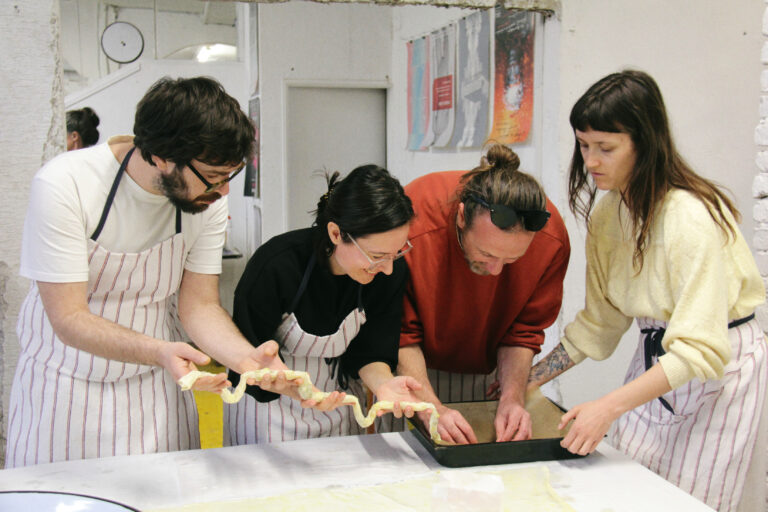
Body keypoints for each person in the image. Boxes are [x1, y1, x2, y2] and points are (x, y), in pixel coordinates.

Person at [6, 77, 298, 468]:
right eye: (214, 176)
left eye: (231, 175)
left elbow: (199, 306)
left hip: (156, 388)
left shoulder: (206, 201)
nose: (223, 191)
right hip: (66, 385)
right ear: (160, 156)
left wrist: (248, 360)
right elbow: (69, 318)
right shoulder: (66, 184)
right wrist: (158, 351)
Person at [528, 70, 766, 512]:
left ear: (645, 143)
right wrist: (527, 381)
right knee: (628, 489)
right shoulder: (608, 215)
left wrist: (607, 407)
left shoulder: (690, 217)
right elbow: (600, 324)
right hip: (657, 355)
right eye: (584, 145)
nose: (591, 161)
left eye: (606, 148)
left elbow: (699, 348)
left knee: (688, 502)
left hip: (719, 366)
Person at [225, 165, 425, 444]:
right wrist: (287, 384)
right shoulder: (277, 265)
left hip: (339, 406)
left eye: (397, 253)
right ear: (336, 233)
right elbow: (246, 356)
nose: (388, 268)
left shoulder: (388, 273)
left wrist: (383, 384)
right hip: (268, 412)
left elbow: (371, 351)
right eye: (377, 255)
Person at [388, 144, 570, 445]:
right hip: (406, 371)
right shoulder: (414, 220)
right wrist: (430, 407)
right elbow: (398, 331)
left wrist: (512, 398)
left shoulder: (551, 241)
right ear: (461, 217)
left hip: (488, 372)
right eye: (486, 254)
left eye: (512, 260)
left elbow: (523, 331)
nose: (496, 271)